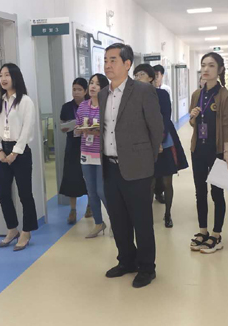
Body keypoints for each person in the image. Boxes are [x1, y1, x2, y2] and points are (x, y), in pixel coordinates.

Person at [99, 43, 163, 288]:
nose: (107, 65)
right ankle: (126, 260)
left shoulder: (143, 91)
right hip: (110, 166)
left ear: (127, 64)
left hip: (137, 167)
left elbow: (156, 128)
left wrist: (147, 159)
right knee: (118, 219)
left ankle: (147, 267)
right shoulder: (103, 94)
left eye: (113, 60)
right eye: (106, 60)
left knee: (141, 220)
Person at [189, 52, 228, 254]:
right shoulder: (197, 95)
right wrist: (192, 116)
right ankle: (203, 231)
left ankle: (216, 234)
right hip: (198, 149)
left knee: (217, 192)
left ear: (220, 69)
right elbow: (193, 124)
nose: (206, 69)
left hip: (216, 151)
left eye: (211, 65)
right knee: (200, 191)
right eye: (203, 65)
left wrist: (226, 152)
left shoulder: (225, 95)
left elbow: (226, 126)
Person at [133, 64, 188, 228]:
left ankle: (168, 214)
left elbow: (165, 118)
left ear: (151, 77)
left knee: (167, 182)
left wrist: (158, 141)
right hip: (145, 145)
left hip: (164, 141)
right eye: (136, 75)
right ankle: (147, 216)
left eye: (141, 74)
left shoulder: (162, 94)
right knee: (149, 183)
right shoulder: (134, 97)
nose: (138, 77)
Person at [0, 63, 38, 251]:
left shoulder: (25, 101)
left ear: (15, 77)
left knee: (24, 194)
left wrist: (14, 153)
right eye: (1, 75)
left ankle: (26, 231)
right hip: (3, 151)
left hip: (20, 151)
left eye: (7, 75)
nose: (3, 79)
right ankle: (12, 229)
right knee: (3, 193)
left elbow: (27, 130)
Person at [75, 73, 110, 238]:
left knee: (102, 191)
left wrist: (97, 131)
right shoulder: (83, 106)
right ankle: (98, 223)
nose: (93, 86)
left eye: (97, 84)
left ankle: (116, 221)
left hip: (102, 153)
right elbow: (77, 127)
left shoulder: (107, 105)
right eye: (91, 83)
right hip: (86, 152)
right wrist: (81, 129)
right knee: (91, 191)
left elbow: (111, 129)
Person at [59, 78, 92, 224]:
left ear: (85, 91)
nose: (76, 92)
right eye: (74, 89)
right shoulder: (67, 107)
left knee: (89, 177)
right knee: (72, 177)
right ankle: (73, 210)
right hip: (72, 146)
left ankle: (90, 205)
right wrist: (67, 126)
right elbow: (62, 125)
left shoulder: (91, 105)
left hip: (89, 145)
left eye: (79, 89)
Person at [152, 64, 172, 204]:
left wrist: (160, 138)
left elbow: (166, 115)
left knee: (164, 172)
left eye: (157, 75)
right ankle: (157, 192)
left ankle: (160, 193)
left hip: (163, 136)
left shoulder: (164, 92)